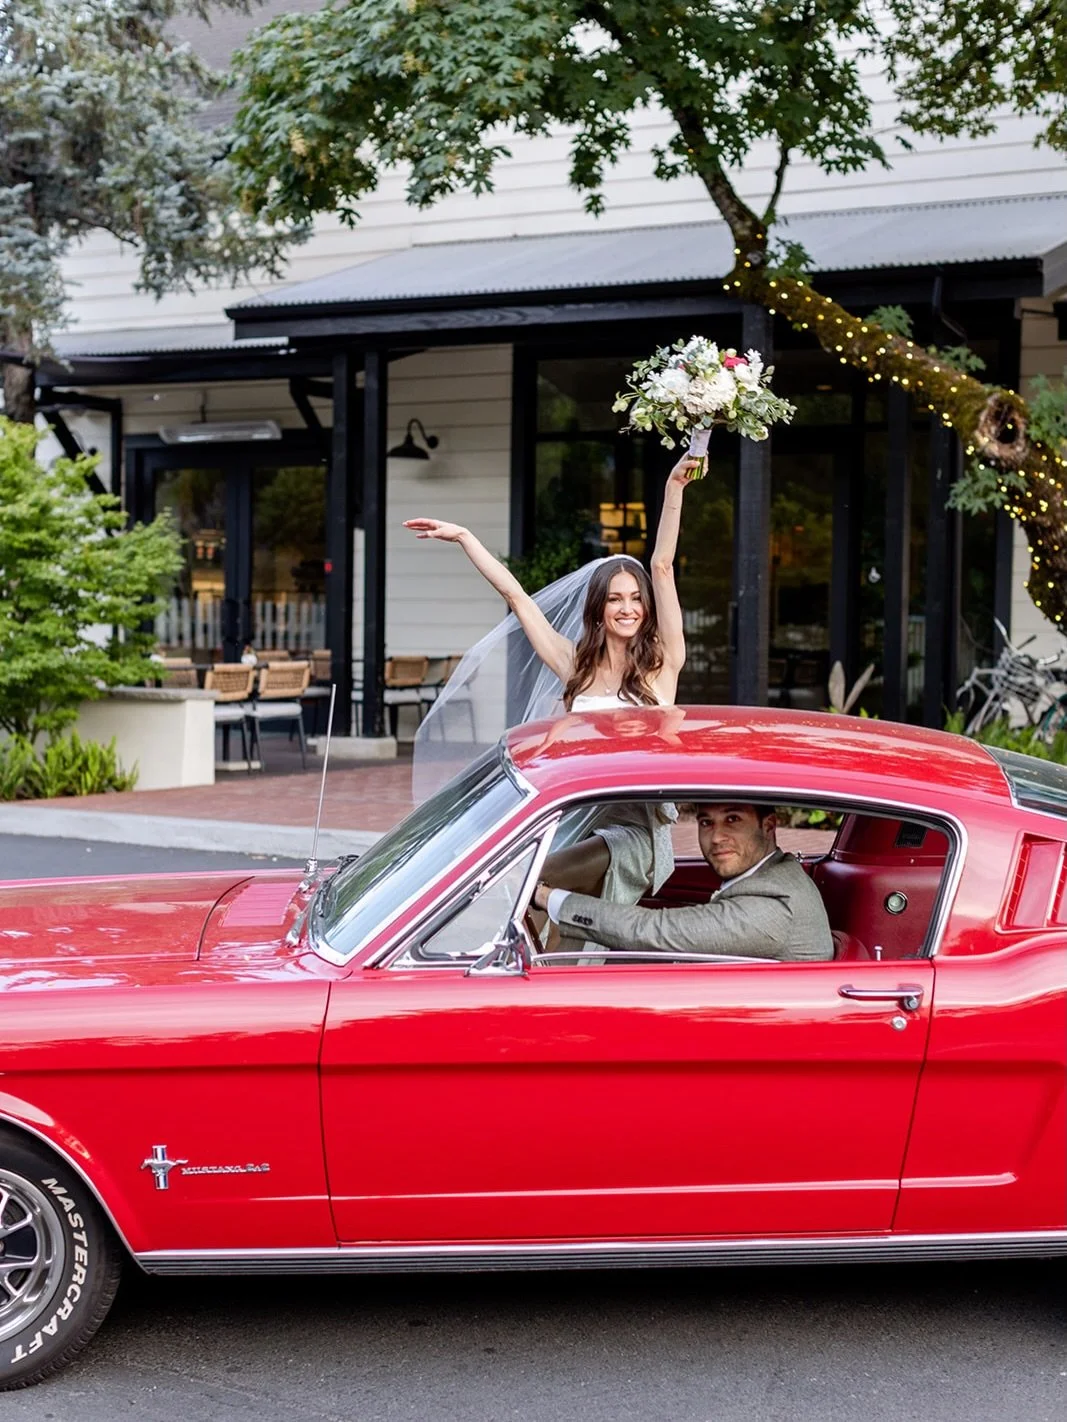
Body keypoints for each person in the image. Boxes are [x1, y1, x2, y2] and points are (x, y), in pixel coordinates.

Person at [404, 453, 699, 904]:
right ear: (599, 607)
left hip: (634, 830)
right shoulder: (573, 665)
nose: (627, 608)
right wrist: (465, 537)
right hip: (575, 821)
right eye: (616, 599)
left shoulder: (663, 664)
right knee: (545, 908)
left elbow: (662, 565)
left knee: (538, 883)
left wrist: (673, 488)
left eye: (636, 599)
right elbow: (516, 596)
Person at [531, 803, 835, 961]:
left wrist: (544, 895)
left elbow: (650, 930)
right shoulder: (776, 875)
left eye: (733, 820)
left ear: (768, 826)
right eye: (706, 823)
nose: (716, 838)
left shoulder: (773, 910)